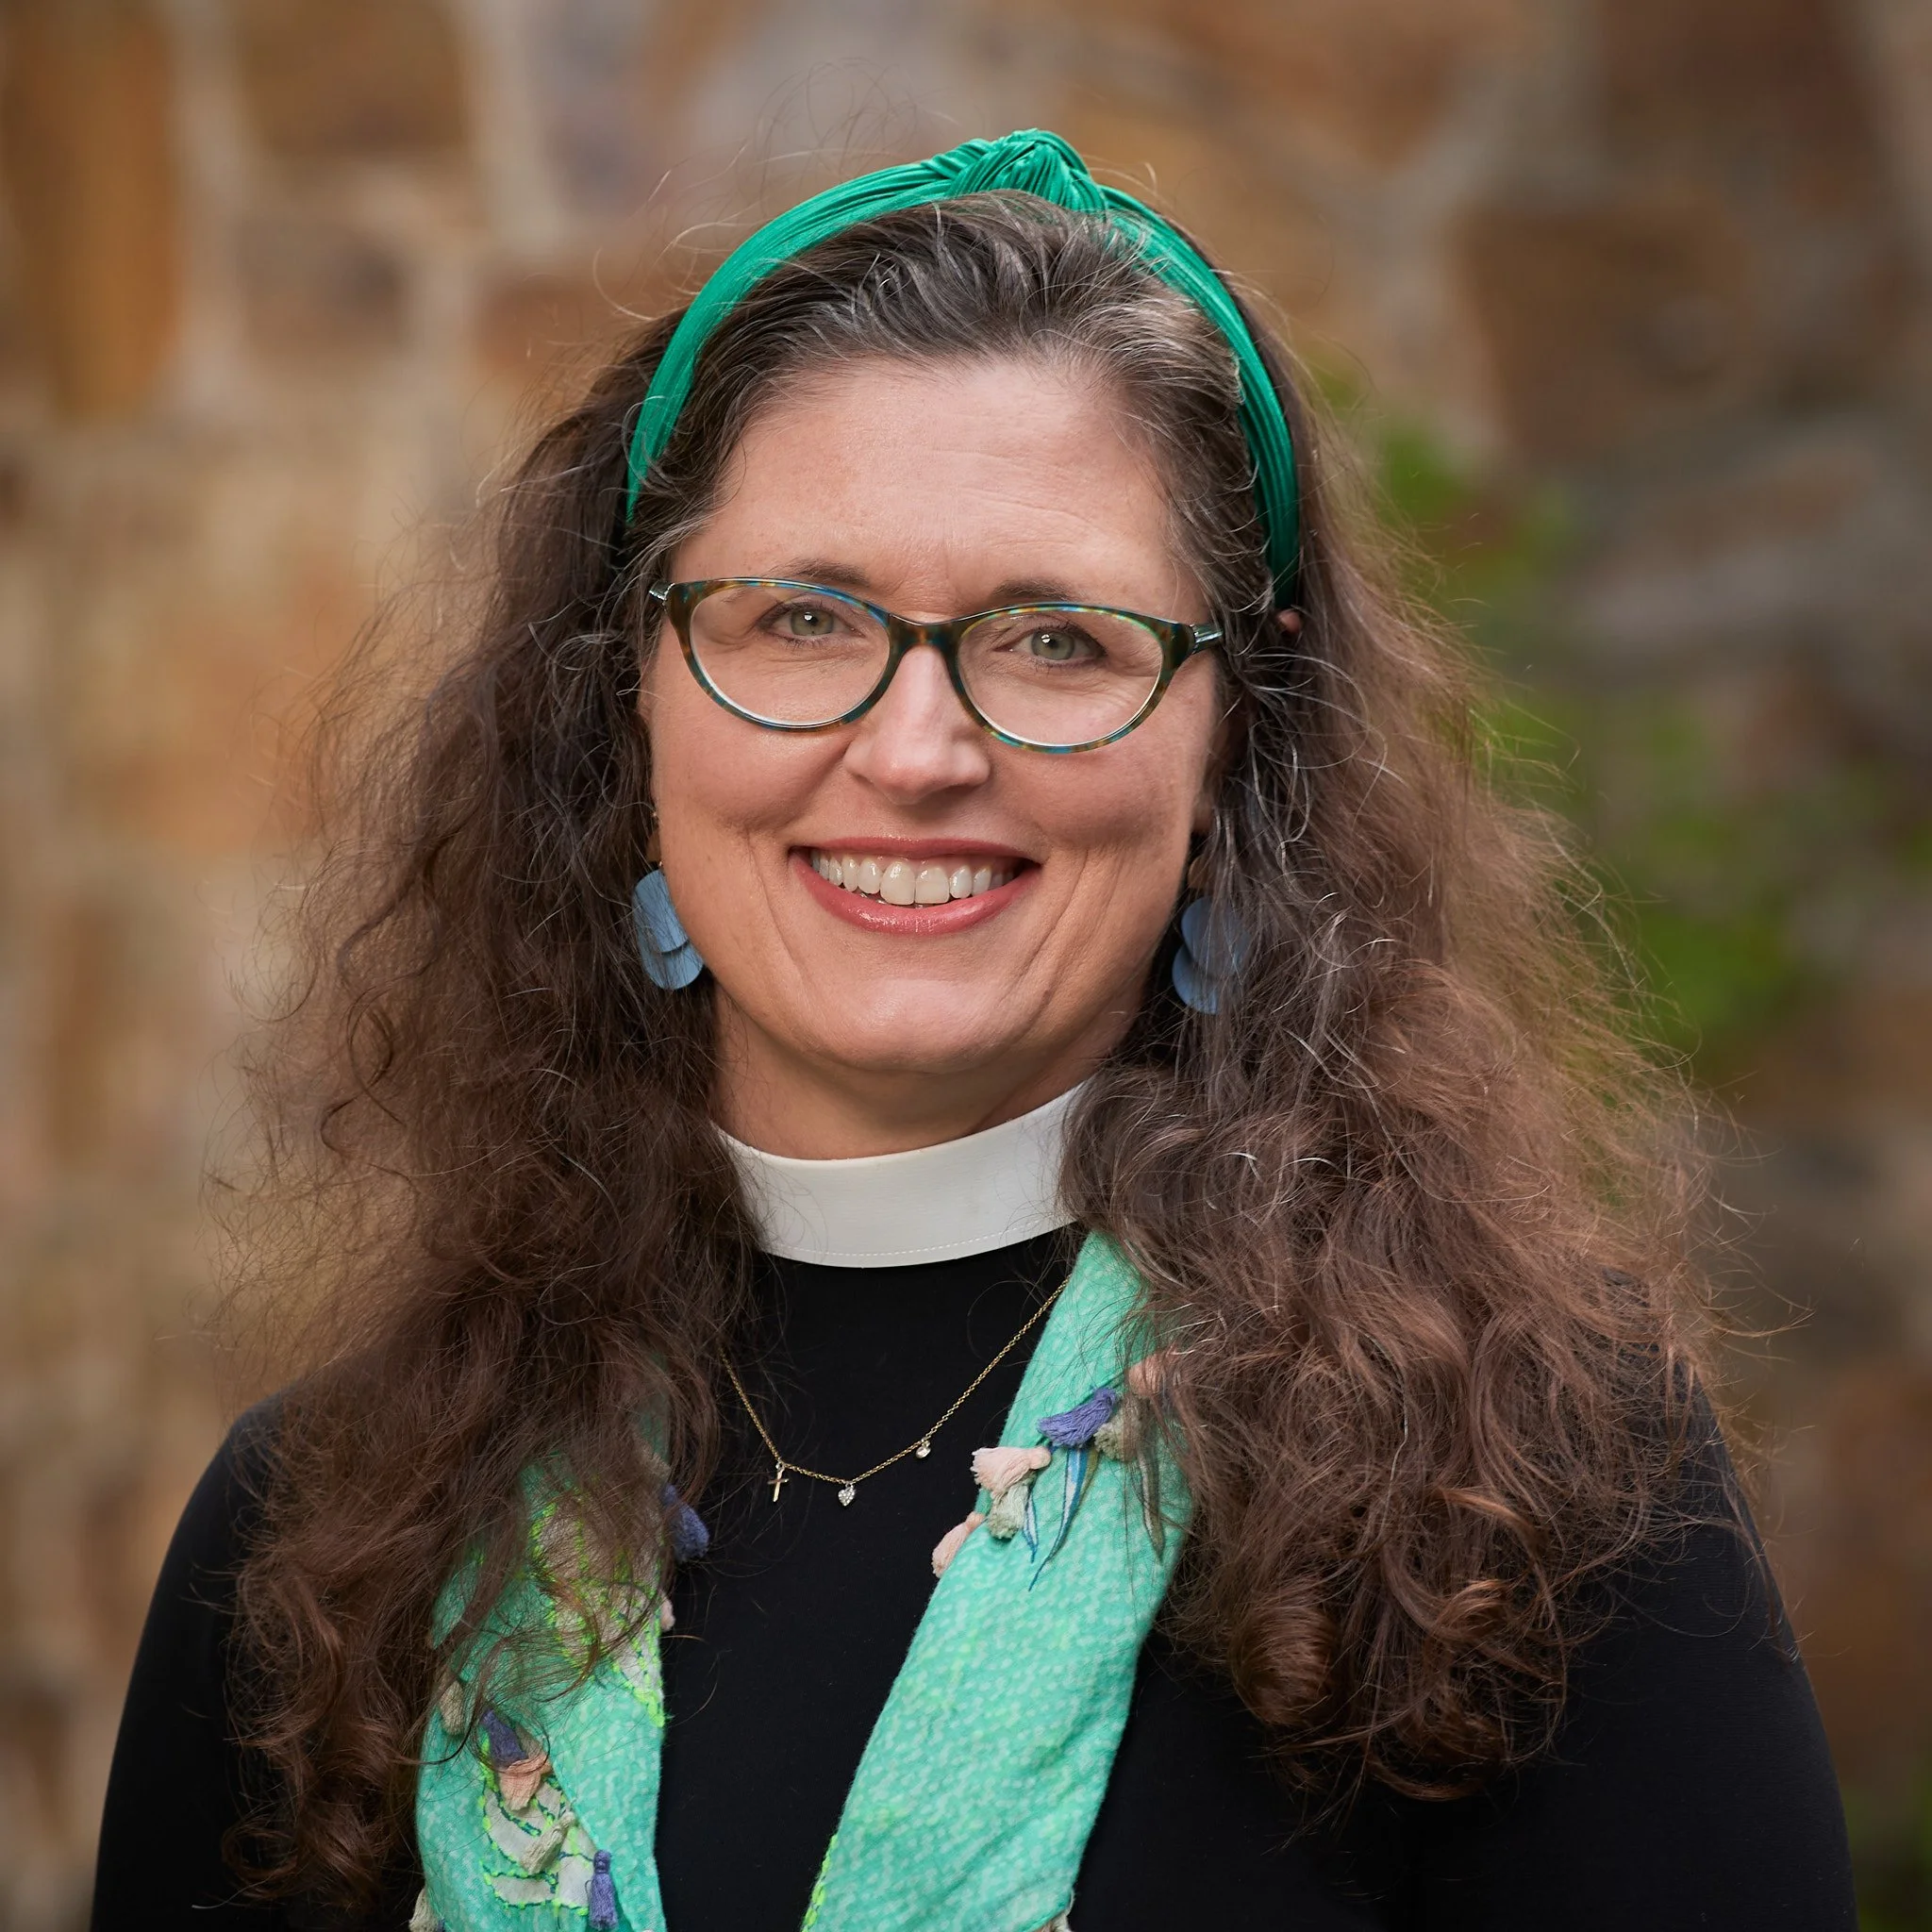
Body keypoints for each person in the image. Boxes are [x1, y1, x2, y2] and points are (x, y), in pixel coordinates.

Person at [94, 130, 1855, 1931]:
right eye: (801, 619)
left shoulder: (1512, 1497)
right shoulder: (326, 1536)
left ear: (1236, 736)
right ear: (626, 700)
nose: (918, 752)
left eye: (1057, 641)